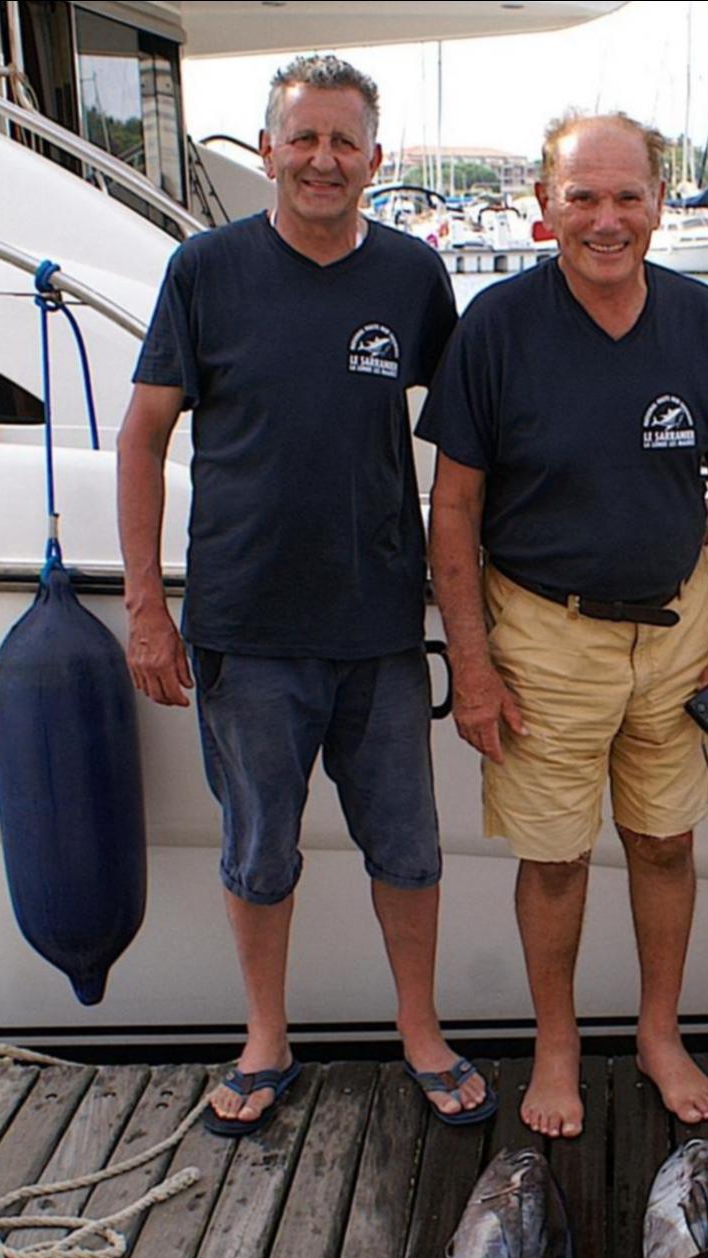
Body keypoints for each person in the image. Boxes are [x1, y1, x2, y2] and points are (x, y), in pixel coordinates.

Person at [118, 55, 490, 1134]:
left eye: (344, 142)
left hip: (380, 626)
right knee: (258, 850)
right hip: (246, 624)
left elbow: (471, 450)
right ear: (270, 149)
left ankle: (419, 1030)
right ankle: (265, 1038)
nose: (323, 159)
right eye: (304, 139)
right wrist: (148, 607)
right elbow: (144, 436)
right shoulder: (205, 270)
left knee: (408, 850)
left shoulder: (415, 278)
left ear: (376, 159)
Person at [424, 112, 708, 1138]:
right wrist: (475, 669)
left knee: (666, 845)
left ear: (662, 205)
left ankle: (660, 1034)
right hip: (542, 634)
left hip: (677, 630)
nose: (607, 219)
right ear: (544, 207)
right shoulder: (495, 325)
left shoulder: (703, 319)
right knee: (556, 860)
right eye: (583, 196)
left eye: (628, 196)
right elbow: (452, 509)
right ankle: (558, 1045)